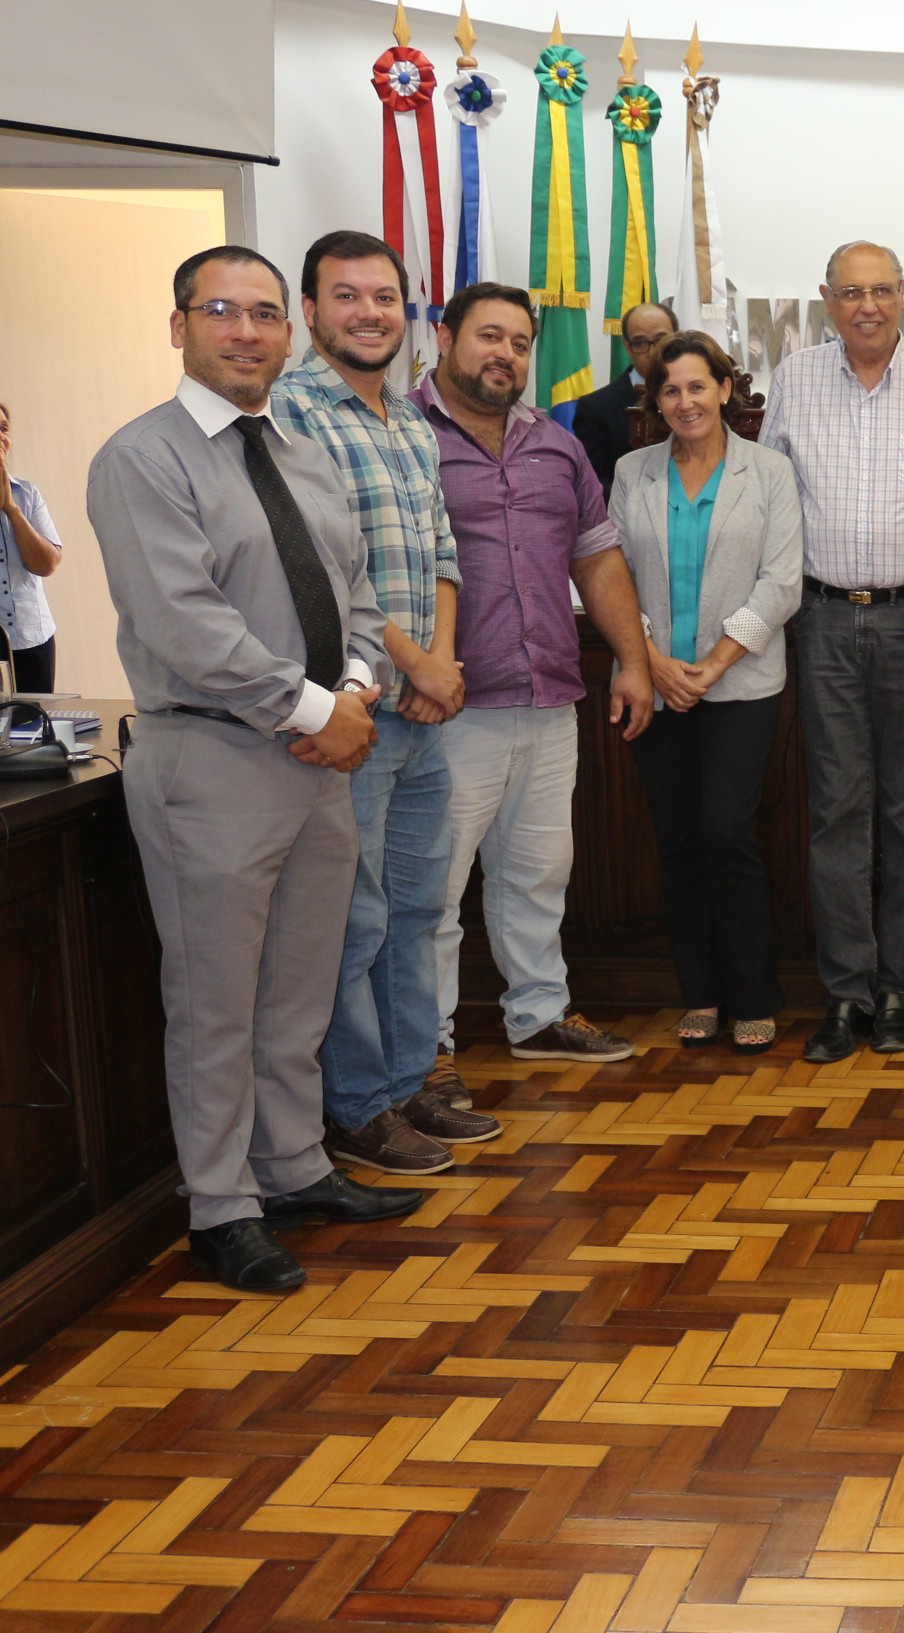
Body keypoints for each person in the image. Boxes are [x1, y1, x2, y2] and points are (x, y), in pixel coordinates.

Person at [88, 243, 426, 1294]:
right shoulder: (141, 459)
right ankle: (221, 1209)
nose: (247, 331)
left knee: (295, 992)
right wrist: (319, 710)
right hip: (213, 760)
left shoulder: (299, 449)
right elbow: (185, 625)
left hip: (320, 761)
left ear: (289, 332)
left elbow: (359, 595)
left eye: (266, 313)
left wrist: (358, 695)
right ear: (180, 325)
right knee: (217, 1003)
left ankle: (292, 1168)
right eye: (223, 310)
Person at [270, 230, 491, 1179]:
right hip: (352, 715)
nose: (369, 313)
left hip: (421, 713)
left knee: (415, 910)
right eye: (346, 296)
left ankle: (408, 1085)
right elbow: (323, 572)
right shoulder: (289, 414)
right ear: (312, 312)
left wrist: (441, 662)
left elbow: (442, 548)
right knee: (353, 921)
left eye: (386, 297)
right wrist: (412, 667)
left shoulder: (406, 420)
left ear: (410, 313)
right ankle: (357, 1106)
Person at [761, 241, 904, 1063]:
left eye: (882, 291)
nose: (867, 306)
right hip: (821, 620)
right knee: (836, 814)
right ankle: (846, 995)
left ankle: (899, 987)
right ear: (826, 298)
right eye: (851, 292)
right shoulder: (794, 380)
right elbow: (770, 494)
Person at [417, 283, 654, 1074]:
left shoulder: (556, 446)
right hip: (447, 706)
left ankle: (539, 1015)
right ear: (446, 337)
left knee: (537, 875)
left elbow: (596, 555)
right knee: (433, 893)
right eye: (490, 337)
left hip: (550, 695)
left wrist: (633, 660)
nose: (506, 355)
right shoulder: (401, 436)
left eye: (519, 343)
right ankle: (427, 1050)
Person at [608, 330, 804, 1053]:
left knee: (728, 832)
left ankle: (753, 992)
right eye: (669, 390)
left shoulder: (770, 471)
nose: (684, 401)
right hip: (653, 684)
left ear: (725, 389)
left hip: (742, 684)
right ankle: (702, 994)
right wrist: (653, 659)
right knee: (679, 840)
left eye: (697, 386)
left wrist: (712, 665)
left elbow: (782, 583)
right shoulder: (633, 472)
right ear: (655, 401)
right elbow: (614, 573)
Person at [573, 300, 678, 492]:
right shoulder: (596, 408)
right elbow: (591, 485)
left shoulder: (697, 398)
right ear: (627, 347)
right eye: (640, 343)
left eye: (662, 340)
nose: (653, 352)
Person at [0, 401, 62, 693]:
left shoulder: (27, 494)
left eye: (3, 428)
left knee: (34, 729)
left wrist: (12, 509)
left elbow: (46, 564)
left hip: (32, 638)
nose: (0, 436)